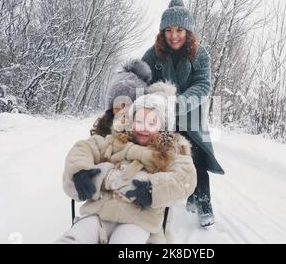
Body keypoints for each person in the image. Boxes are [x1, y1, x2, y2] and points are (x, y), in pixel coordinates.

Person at [56, 81, 197, 244]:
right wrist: (80, 170)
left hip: (140, 220)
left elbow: (185, 178)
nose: (144, 128)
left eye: (152, 123)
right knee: (73, 238)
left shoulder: (170, 153)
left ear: (163, 127)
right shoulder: (114, 142)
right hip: (100, 213)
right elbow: (84, 148)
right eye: (139, 121)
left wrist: (153, 188)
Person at [142, 0, 225, 227]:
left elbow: (202, 84)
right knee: (162, 156)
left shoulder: (200, 54)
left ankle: (202, 201)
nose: (174, 35)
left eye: (179, 29)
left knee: (196, 155)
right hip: (162, 117)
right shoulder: (152, 54)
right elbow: (141, 80)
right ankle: (156, 199)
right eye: (168, 30)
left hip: (191, 116)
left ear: (187, 31)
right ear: (162, 32)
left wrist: (178, 103)